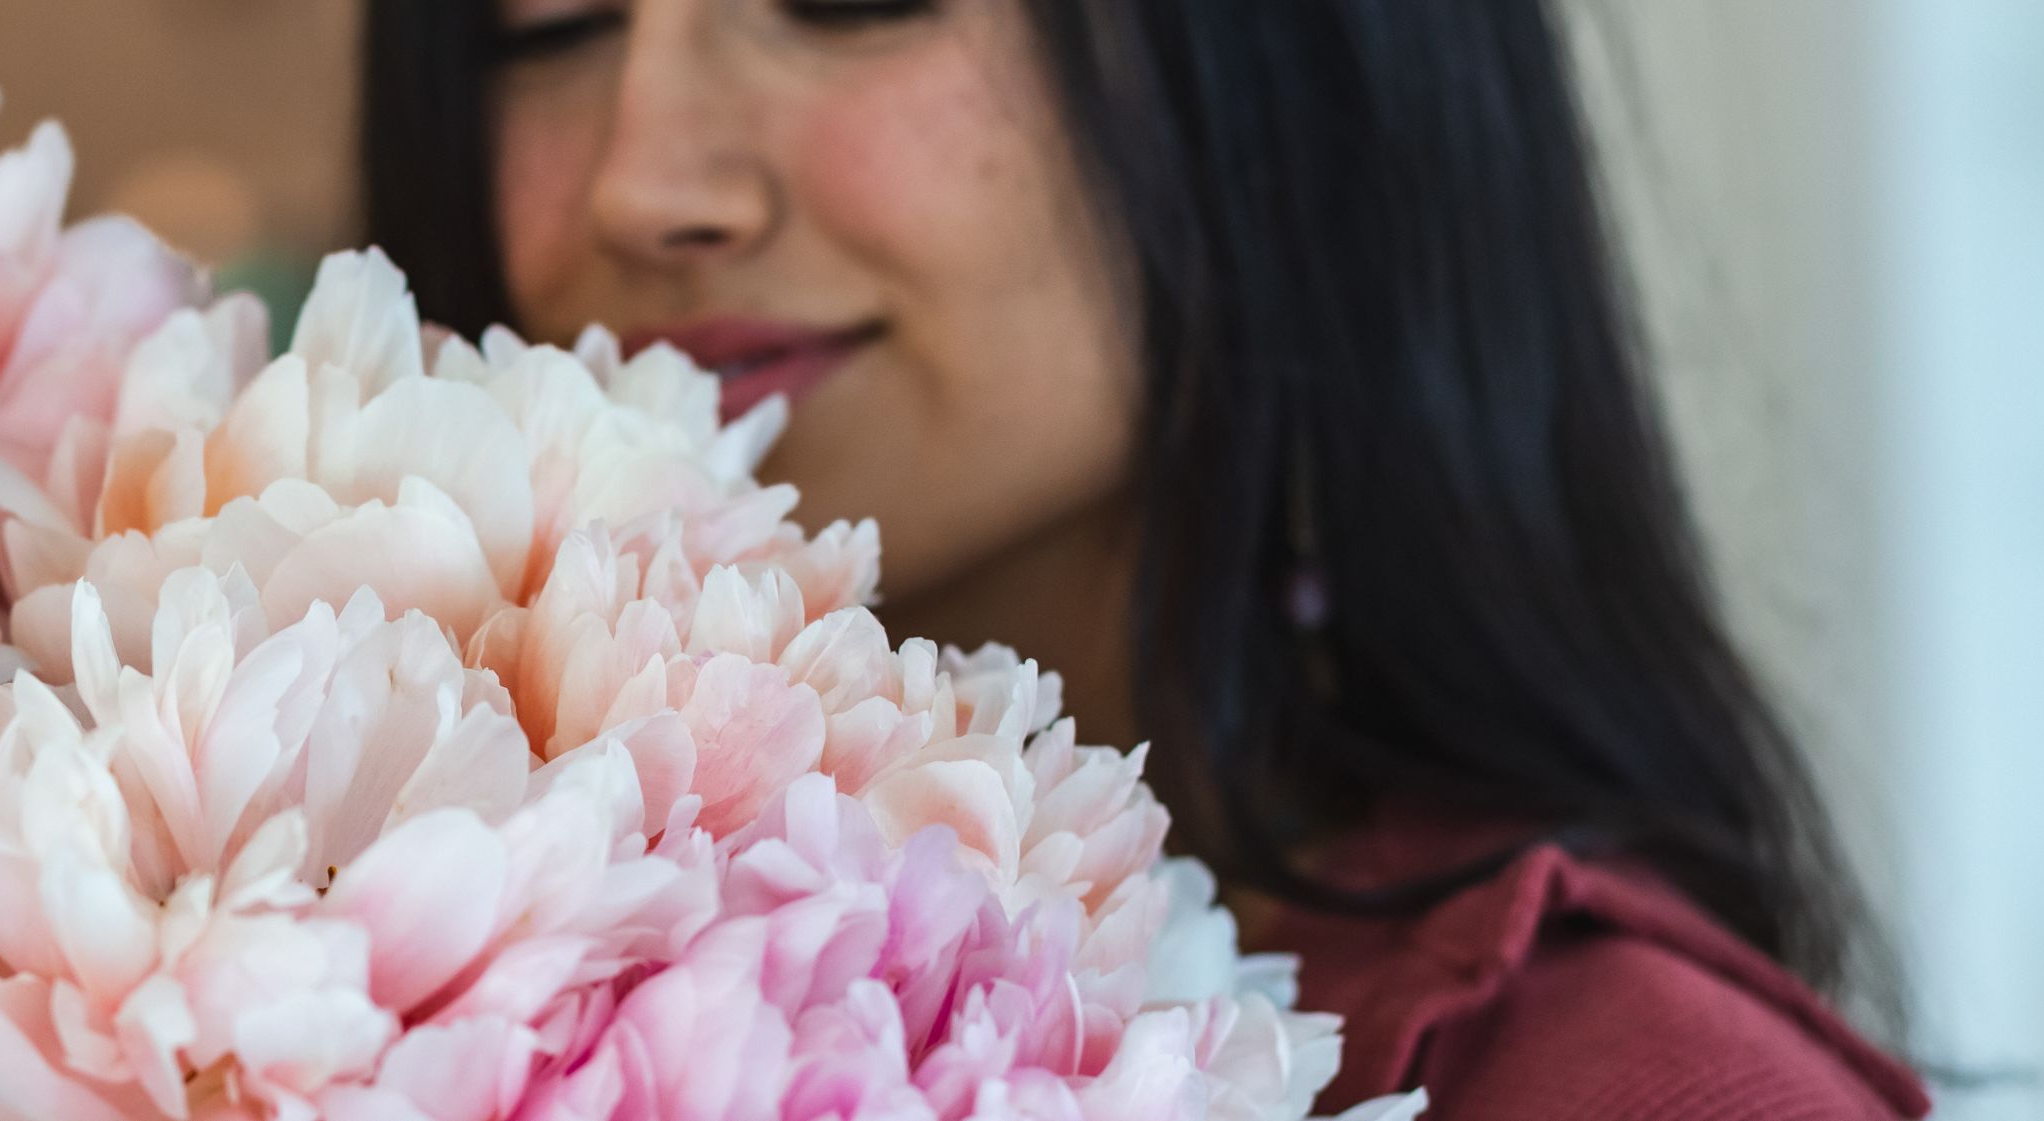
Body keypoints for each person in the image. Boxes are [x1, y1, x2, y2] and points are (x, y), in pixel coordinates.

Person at [360, 1, 1928, 1117]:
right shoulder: (316, 959)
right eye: (544, 30)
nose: (643, 181)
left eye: (849, 3)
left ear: (1303, 67)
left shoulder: (1639, 1086)